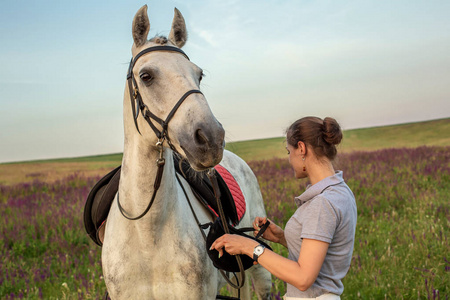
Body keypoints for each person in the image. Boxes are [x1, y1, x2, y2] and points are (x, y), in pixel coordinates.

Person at [210, 116, 357, 299]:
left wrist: (250, 247)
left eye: (289, 152)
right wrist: (282, 237)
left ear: (301, 149)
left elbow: (303, 278)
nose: (289, 160)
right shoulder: (340, 191)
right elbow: (322, 251)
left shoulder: (322, 204)